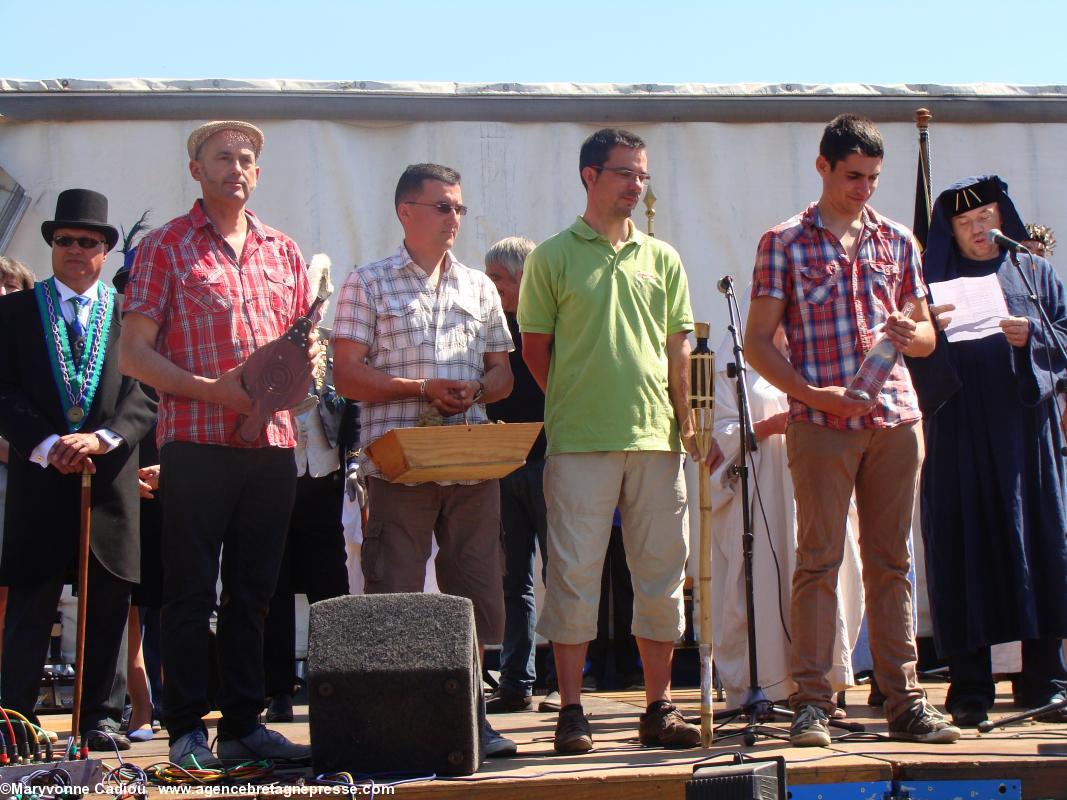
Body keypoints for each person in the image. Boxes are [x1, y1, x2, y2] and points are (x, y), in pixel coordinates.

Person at [744, 114, 959, 746]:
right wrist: (815, 396)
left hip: (894, 417)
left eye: (872, 178)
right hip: (820, 422)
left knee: (893, 561)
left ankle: (904, 699)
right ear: (823, 167)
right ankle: (813, 701)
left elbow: (925, 338)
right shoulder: (783, 241)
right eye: (852, 176)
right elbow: (758, 342)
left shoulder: (898, 240)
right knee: (818, 559)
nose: (863, 188)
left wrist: (908, 333)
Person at [518, 128, 724, 754]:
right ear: (589, 175)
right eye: (624, 173)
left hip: (658, 438)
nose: (636, 185)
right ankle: (572, 712)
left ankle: (659, 707)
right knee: (575, 574)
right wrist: (578, 403)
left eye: (642, 174)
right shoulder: (551, 256)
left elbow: (678, 346)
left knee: (662, 574)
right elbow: (535, 350)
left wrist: (688, 421)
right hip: (580, 442)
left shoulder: (663, 259)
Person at [120, 121, 315, 768]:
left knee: (254, 595)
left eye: (247, 159)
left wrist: (289, 380)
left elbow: (296, 358)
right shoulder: (165, 247)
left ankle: (242, 725)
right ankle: (182, 732)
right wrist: (218, 394)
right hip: (196, 447)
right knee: (190, 593)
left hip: (272, 447)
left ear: (258, 174)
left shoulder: (283, 250)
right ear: (195, 170)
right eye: (222, 157)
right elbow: (134, 356)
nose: (237, 167)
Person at [332, 163, 516, 757]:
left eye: (459, 208)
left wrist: (476, 392)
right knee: (397, 592)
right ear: (405, 212)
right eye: (442, 207)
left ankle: (473, 716)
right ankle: (397, 722)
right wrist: (421, 389)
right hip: (399, 464)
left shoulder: (480, 286)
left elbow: (503, 373)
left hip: (470, 462)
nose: (453, 218)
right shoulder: (368, 282)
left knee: (477, 589)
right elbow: (347, 374)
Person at [0, 189, 155, 750]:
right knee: (30, 601)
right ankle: (14, 720)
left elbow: (145, 392)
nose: (74, 249)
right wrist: (46, 442)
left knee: (109, 602)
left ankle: (101, 718)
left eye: (86, 241)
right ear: (51, 246)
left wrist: (103, 438)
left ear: (105, 250)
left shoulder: (129, 317)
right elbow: (4, 389)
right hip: (41, 477)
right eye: (63, 240)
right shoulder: (15, 311)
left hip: (110, 481)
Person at [919, 176, 1067, 727]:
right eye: (966, 223)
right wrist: (927, 336)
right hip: (958, 434)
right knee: (965, 550)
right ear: (949, 232)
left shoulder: (1035, 271)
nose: (980, 230)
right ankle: (970, 686)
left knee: (1041, 545)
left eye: (988, 217)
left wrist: (1033, 338)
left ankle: (1045, 680)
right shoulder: (929, 282)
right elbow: (907, 359)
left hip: (1027, 436)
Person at [707, 313, 864, 711]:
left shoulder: (818, 349)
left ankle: (821, 684)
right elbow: (718, 439)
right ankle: (767, 686)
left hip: (816, 481)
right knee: (762, 579)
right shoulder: (736, 358)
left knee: (824, 570)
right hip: (762, 491)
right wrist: (770, 425)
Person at [263, 254, 351, 723]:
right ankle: (277, 688)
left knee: (329, 583)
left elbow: (345, 407)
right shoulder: (268, 341)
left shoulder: (331, 348)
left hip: (323, 475)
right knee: (273, 584)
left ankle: (332, 680)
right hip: (275, 473)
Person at [482, 236, 550, 714]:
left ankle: (565, 683)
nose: (496, 287)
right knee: (513, 579)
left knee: (562, 572)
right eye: (491, 278)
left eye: (502, 278)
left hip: (549, 461)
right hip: (504, 462)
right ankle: (515, 680)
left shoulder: (548, 326)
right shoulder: (489, 332)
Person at [0, 255, 35, 665]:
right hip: (19, 467)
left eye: (15, 287)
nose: (6, 294)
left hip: (28, 481)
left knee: (14, 594)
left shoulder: (36, 347)